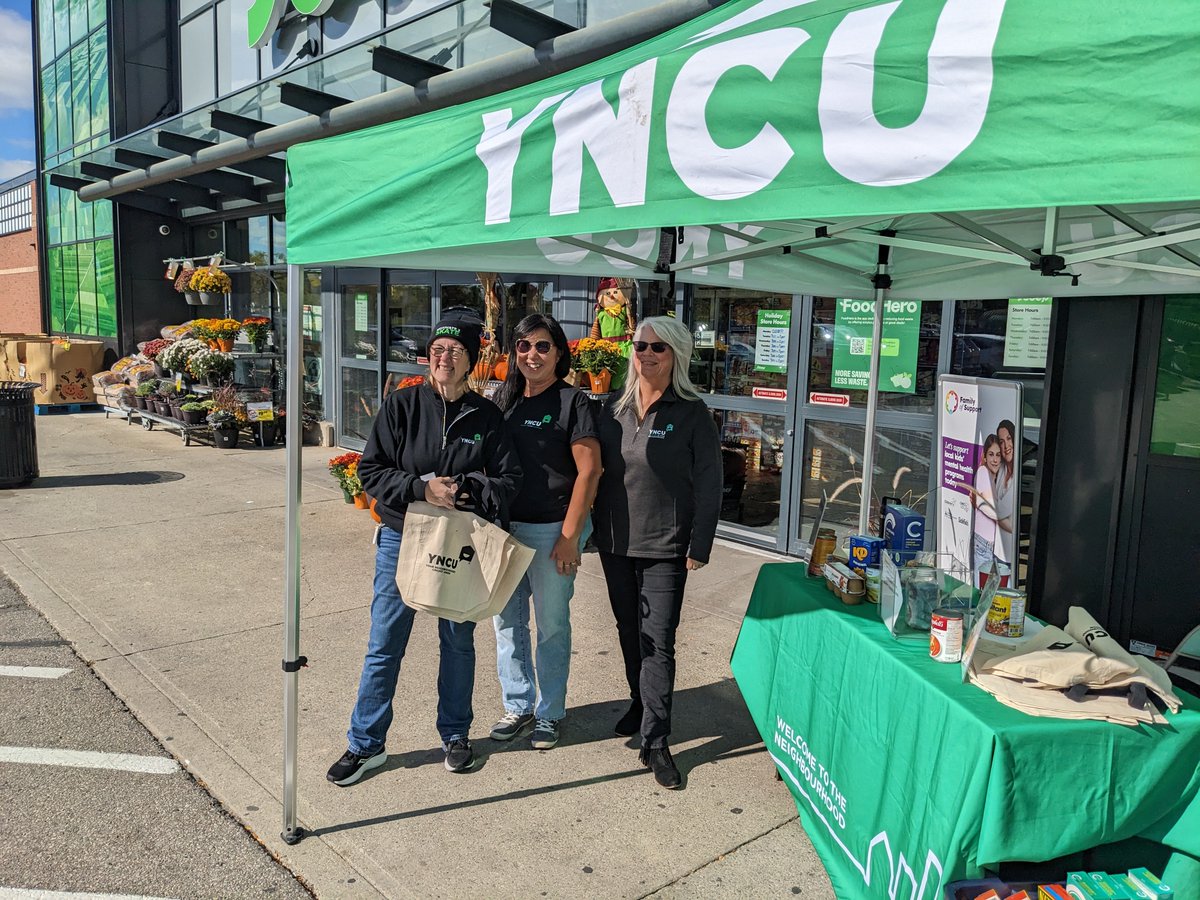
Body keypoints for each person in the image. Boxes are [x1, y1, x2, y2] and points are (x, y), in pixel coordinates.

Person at [326, 316, 522, 786]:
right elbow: (371, 471)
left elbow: (509, 480)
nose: (443, 357)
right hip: (402, 538)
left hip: (460, 540)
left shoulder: (486, 416)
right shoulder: (402, 405)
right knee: (384, 643)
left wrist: (468, 489)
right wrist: (421, 488)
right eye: (437, 349)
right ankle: (366, 744)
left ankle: (455, 735)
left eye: (455, 350)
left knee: (457, 643)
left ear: (471, 360)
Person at [592, 316, 722, 790]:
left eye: (658, 347)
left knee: (658, 642)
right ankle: (639, 700)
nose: (646, 353)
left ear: (677, 355)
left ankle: (656, 740)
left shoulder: (692, 413)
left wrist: (699, 544)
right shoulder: (611, 408)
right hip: (615, 543)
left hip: (666, 546)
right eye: (640, 345)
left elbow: (710, 483)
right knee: (629, 631)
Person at [488, 315, 602, 750]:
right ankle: (517, 705)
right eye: (523, 346)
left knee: (551, 625)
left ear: (558, 353)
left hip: (551, 530)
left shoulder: (574, 402)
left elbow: (589, 472)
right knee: (507, 623)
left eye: (542, 346)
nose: (531, 355)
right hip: (504, 530)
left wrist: (570, 536)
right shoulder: (505, 400)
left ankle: (549, 712)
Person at [968, 434, 1005, 589]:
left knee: (991, 591)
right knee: (982, 591)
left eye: (998, 455)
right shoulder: (983, 472)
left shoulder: (997, 477)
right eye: (991, 454)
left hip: (994, 546)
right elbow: (987, 508)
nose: (995, 460)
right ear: (984, 456)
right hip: (984, 543)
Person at [992, 419, 1018, 574]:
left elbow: (998, 512)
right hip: (995, 548)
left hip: (1009, 553)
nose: (1006, 445)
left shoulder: (1017, 475)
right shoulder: (1001, 469)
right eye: (1001, 442)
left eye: (1009, 439)